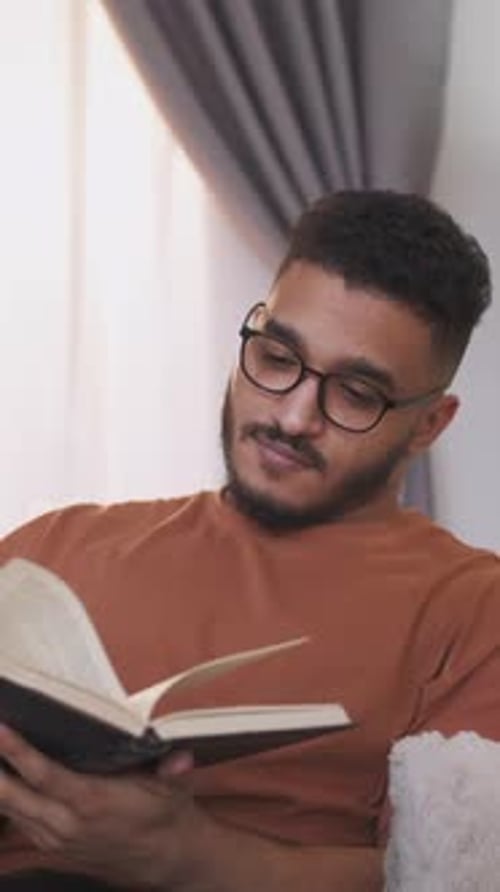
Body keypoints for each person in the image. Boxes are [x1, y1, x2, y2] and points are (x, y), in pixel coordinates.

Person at [0, 189, 499, 892]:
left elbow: (458, 879)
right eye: (277, 356)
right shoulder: (53, 549)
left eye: (356, 394)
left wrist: (187, 858)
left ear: (428, 426)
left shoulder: (474, 610)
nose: (293, 415)